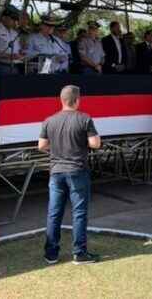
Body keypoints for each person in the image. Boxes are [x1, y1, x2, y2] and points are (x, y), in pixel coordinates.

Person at [38, 85, 101, 264]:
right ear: (77, 100)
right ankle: (79, 253)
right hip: (77, 170)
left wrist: (58, 148)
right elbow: (95, 143)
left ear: (61, 100)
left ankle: (51, 253)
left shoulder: (49, 120)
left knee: (54, 213)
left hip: (56, 171)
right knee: (79, 213)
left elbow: (41, 145)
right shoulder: (84, 118)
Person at [0, 5, 23, 75]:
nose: (14, 21)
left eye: (15, 19)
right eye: (12, 19)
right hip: (1, 66)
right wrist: (8, 56)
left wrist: (21, 54)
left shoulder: (15, 33)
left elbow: (18, 51)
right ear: (4, 18)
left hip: (15, 67)